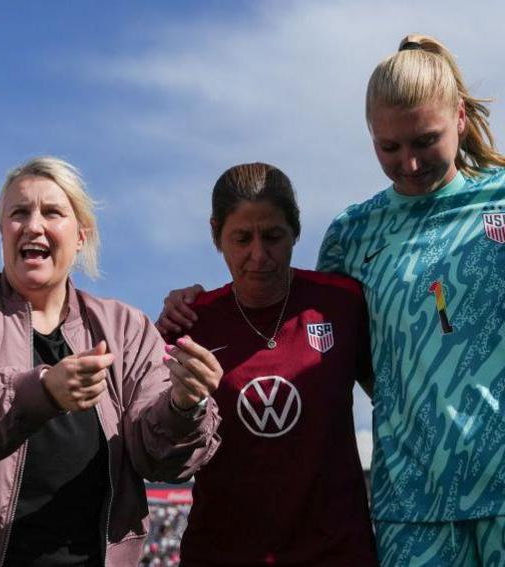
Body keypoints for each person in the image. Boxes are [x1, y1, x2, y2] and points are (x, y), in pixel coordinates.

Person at [157, 35, 505, 566]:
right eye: (389, 148)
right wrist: (192, 306)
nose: (408, 164)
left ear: (459, 117)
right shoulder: (353, 233)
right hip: (410, 502)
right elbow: (318, 343)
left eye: (425, 141)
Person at [0, 156, 222, 567]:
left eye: (52, 212)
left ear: (80, 236)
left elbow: (162, 460)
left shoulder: (125, 329)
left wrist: (185, 406)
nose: (33, 225)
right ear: (1, 231)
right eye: (19, 213)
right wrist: (42, 391)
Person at [163, 163, 377, 565]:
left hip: (336, 552)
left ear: (295, 230)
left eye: (273, 237)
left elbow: (391, 396)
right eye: (241, 238)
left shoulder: (343, 303)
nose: (258, 255)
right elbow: (160, 441)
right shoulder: (190, 323)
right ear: (216, 235)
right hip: (223, 553)